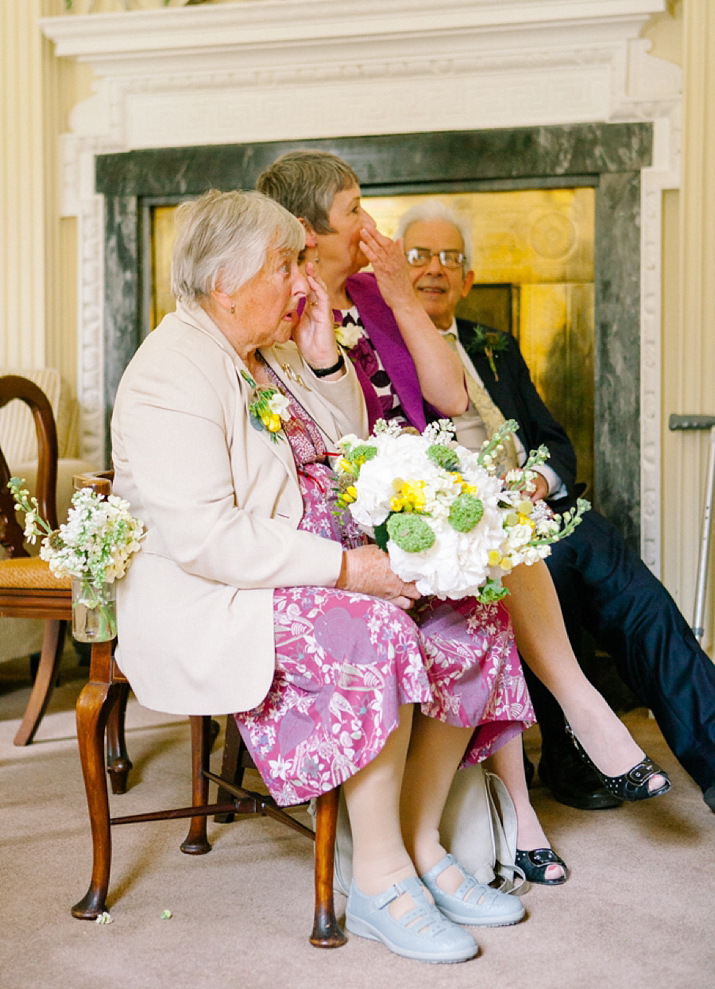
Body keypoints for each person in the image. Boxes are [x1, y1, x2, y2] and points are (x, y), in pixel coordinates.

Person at [111, 188, 537, 965]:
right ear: (225, 283)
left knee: (475, 607)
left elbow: (349, 445)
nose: (305, 281)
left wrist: (319, 353)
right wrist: (352, 568)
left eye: (302, 261)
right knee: (372, 628)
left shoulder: (264, 348)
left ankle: (419, 843)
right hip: (224, 596)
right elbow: (209, 538)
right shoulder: (169, 374)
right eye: (286, 266)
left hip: (310, 565)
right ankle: (377, 882)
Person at [256, 151, 671, 885]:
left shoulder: (371, 293)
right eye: (355, 209)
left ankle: (544, 766)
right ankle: (560, 748)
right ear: (306, 228)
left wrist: (396, 295)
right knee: (493, 552)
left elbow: (447, 396)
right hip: (362, 508)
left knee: (497, 551)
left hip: (426, 488)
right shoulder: (275, 313)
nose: (371, 225)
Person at [394, 196, 715, 815]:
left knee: (644, 603)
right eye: (419, 255)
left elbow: (551, 440)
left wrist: (538, 484)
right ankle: (573, 756)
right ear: (397, 275)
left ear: (468, 279)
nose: (434, 268)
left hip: (547, 508)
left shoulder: (494, 344)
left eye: (449, 258)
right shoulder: (385, 354)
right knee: (553, 589)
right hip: (481, 527)